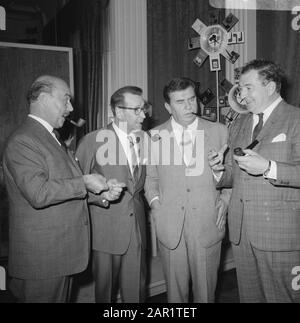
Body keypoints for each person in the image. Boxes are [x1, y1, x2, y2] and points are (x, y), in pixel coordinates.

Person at [2, 75, 123, 303]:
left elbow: (64, 189)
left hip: (60, 255)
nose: (70, 108)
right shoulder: (24, 140)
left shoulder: (50, 138)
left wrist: (100, 194)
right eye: (65, 100)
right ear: (45, 99)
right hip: (43, 261)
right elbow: (39, 194)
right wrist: (85, 182)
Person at [209, 59, 300, 303]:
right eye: (240, 88)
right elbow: (233, 174)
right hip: (242, 231)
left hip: (280, 234)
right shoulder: (239, 122)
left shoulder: (295, 119)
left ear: (270, 87)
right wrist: (219, 170)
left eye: (248, 87)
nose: (242, 95)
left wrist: (269, 168)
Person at [144, 77, 229, 303]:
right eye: (180, 102)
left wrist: (226, 201)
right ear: (168, 107)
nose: (189, 106)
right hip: (170, 226)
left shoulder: (220, 131)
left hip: (207, 223)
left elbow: (233, 178)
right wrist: (156, 206)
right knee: (176, 295)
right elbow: (150, 179)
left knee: (206, 293)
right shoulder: (153, 137)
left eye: (192, 99)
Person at [76, 86, 148, 303]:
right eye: (137, 110)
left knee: (137, 291)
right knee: (104, 294)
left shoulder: (146, 140)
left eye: (143, 109)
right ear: (118, 111)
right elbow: (75, 187)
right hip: (106, 233)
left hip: (137, 230)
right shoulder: (93, 140)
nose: (143, 115)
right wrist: (103, 195)